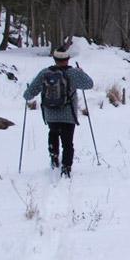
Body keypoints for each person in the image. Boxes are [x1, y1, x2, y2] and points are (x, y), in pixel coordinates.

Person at [23, 47, 94, 177]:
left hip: (50, 113)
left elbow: (30, 92)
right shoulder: (73, 73)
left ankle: (54, 158)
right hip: (68, 113)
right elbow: (89, 84)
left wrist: (27, 95)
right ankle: (66, 167)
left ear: (54, 59)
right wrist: (81, 72)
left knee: (53, 134)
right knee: (68, 142)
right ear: (67, 59)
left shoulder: (45, 73)